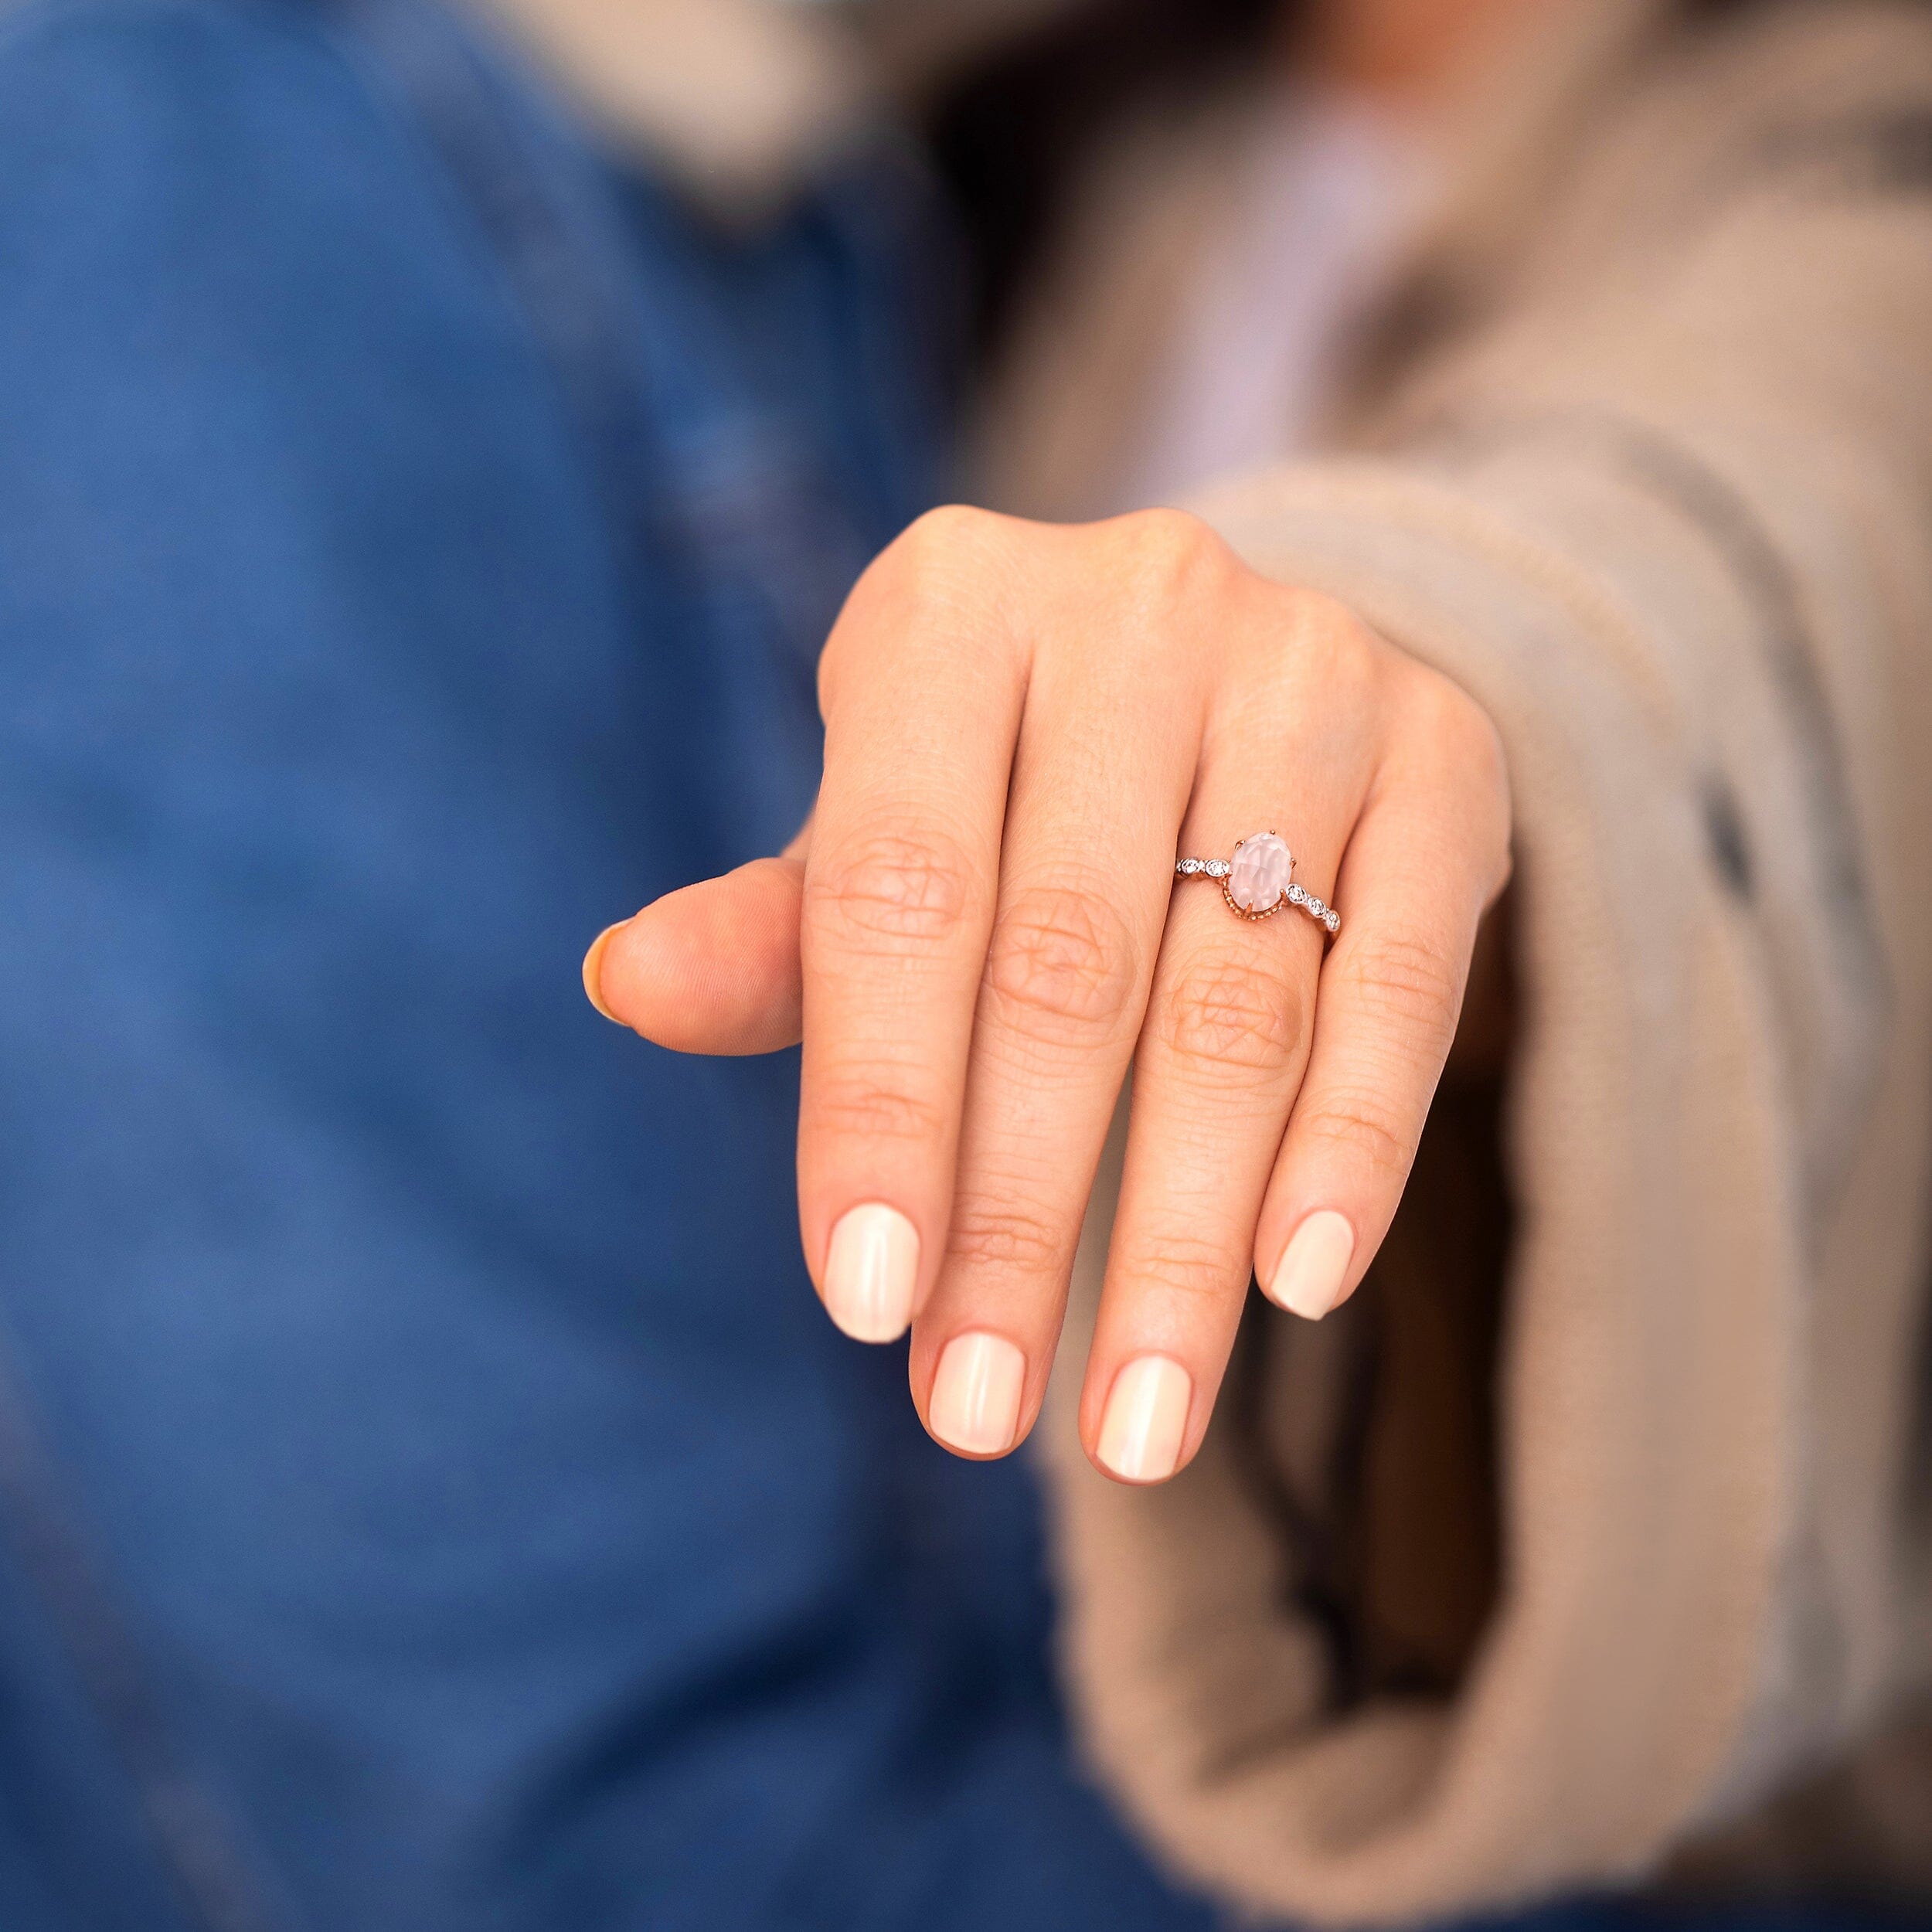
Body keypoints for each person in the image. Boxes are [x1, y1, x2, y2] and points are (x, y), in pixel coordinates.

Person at [586, 0, 1932, 1920]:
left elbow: (1766, 481)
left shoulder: (1847, 136)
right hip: (930, 1631)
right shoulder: (1013, 152)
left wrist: (1423, 680)